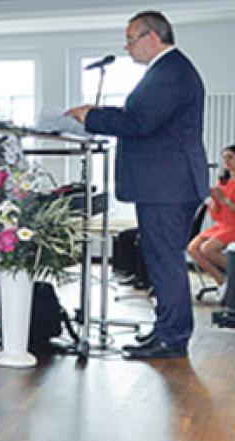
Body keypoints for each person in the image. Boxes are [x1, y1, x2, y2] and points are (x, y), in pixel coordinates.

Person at [67, 10, 208, 360]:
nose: (127, 47)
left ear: (152, 36)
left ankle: (172, 338)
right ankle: (165, 330)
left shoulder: (170, 72)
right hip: (166, 184)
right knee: (161, 259)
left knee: (165, 261)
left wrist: (92, 117)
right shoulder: (168, 71)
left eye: (131, 39)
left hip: (168, 185)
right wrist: (97, 115)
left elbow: (140, 122)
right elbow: (144, 118)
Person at [188, 145, 235, 286]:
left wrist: (224, 199)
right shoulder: (223, 182)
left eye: (230, 157)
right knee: (193, 248)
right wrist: (214, 201)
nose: (226, 161)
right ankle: (222, 282)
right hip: (222, 225)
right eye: (225, 158)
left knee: (207, 249)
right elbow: (216, 215)